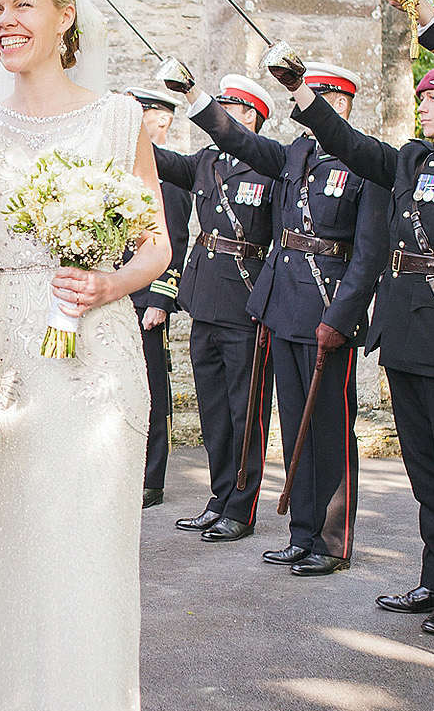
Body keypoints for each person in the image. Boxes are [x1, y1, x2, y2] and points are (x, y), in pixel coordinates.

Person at [0, 0, 199, 711]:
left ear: (64, 18)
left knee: (88, 564)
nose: (3, 17)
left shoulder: (119, 117)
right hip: (5, 359)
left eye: (22, 4)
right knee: (11, 564)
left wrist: (110, 282)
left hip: (95, 360)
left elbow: (156, 242)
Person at [280, 63, 434, 635]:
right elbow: (350, 143)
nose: (423, 105)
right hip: (404, 332)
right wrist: (301, 93)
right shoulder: (412, 159)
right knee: (424, 471)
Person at [181, 64, 390, 575]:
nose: (302, 106)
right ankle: (303, 532)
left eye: (313, 97)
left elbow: (367, 256)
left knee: (331, 427)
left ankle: (333, 541)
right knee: (296, 425)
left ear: (338, 104)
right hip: (283, 305)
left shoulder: (367, 162)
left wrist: (342, 318)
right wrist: (195, 97)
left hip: (327, 308)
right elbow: (243, 142)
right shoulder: (297, 152)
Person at [149, 75, 276, 541]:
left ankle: (241, 507)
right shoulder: (207, 162)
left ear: (249, 116)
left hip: (244, 304)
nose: (219, 114)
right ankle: (219, 497)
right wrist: (121, 125)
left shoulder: (269, 165)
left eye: (228, 107)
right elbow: (162, 162)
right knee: (214, 412)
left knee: (246, 412)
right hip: (205, 299)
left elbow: (281, 239)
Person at [126, 83, 192, 508]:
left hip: (147, 300)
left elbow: (177, 242)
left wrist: (160, 299)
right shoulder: (130, 172)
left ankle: (152, 479)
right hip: (121, 295)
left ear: (162, 120)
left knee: (152, 389)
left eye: (142, 112)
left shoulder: (169, 179)